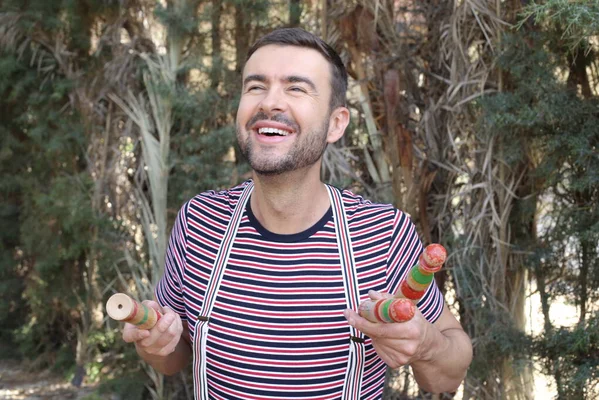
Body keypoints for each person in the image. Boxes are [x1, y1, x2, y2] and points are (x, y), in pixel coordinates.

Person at [122, 27, 473, 399]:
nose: (270, 103)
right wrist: (152, 342)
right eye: (255, 86)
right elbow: (173, 357)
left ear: (336, 123)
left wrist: (425, 346)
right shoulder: (199, 222)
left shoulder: (384, 233)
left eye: (296, 88)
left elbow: (447, 378)